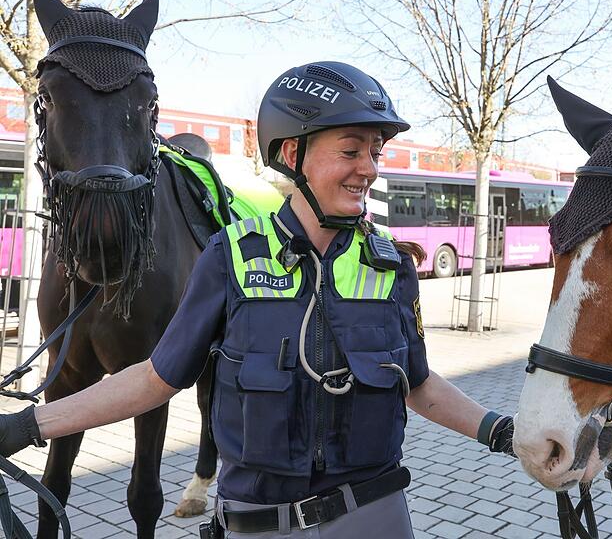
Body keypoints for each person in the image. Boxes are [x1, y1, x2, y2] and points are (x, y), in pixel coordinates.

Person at [0, 61, 515, 538]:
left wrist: (504, 432)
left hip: (375, 518)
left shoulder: (392, 267)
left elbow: (418, 384)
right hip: (260, 525)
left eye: (374, 153)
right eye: (351, 151)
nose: (370, 169)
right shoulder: (231, 259)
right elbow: (153, 380)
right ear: (293, 155)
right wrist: (26, 426)